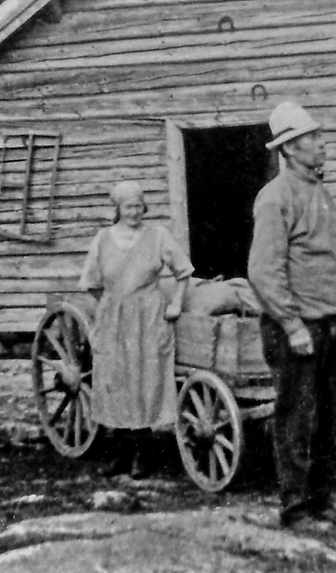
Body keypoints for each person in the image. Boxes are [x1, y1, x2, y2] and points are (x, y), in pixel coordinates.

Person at [247, 101, 336, 530]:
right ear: (292, 148)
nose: (321, 143)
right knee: (298, 418)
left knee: (329, 418)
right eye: (313, 138)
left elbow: (328, 262)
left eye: (318, 136)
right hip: (295, 329)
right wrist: (292, 324)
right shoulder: (275, 198)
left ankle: (323, 501)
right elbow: (263, 270)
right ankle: (295, 509)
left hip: (327, 324)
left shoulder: (319, 193)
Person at [78, 180, 192, 478]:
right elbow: (91, 282)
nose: (134, 212)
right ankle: (119, 454)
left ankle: (143, 453)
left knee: (145, 380)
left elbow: (183, 271)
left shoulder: (157, 236)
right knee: (114, 379)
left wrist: (176, 303)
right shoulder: (103, 239)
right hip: (114, 319)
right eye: (128, 207)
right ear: (118, 209)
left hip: (149, 318)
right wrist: (113, 306)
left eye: (139, 206)